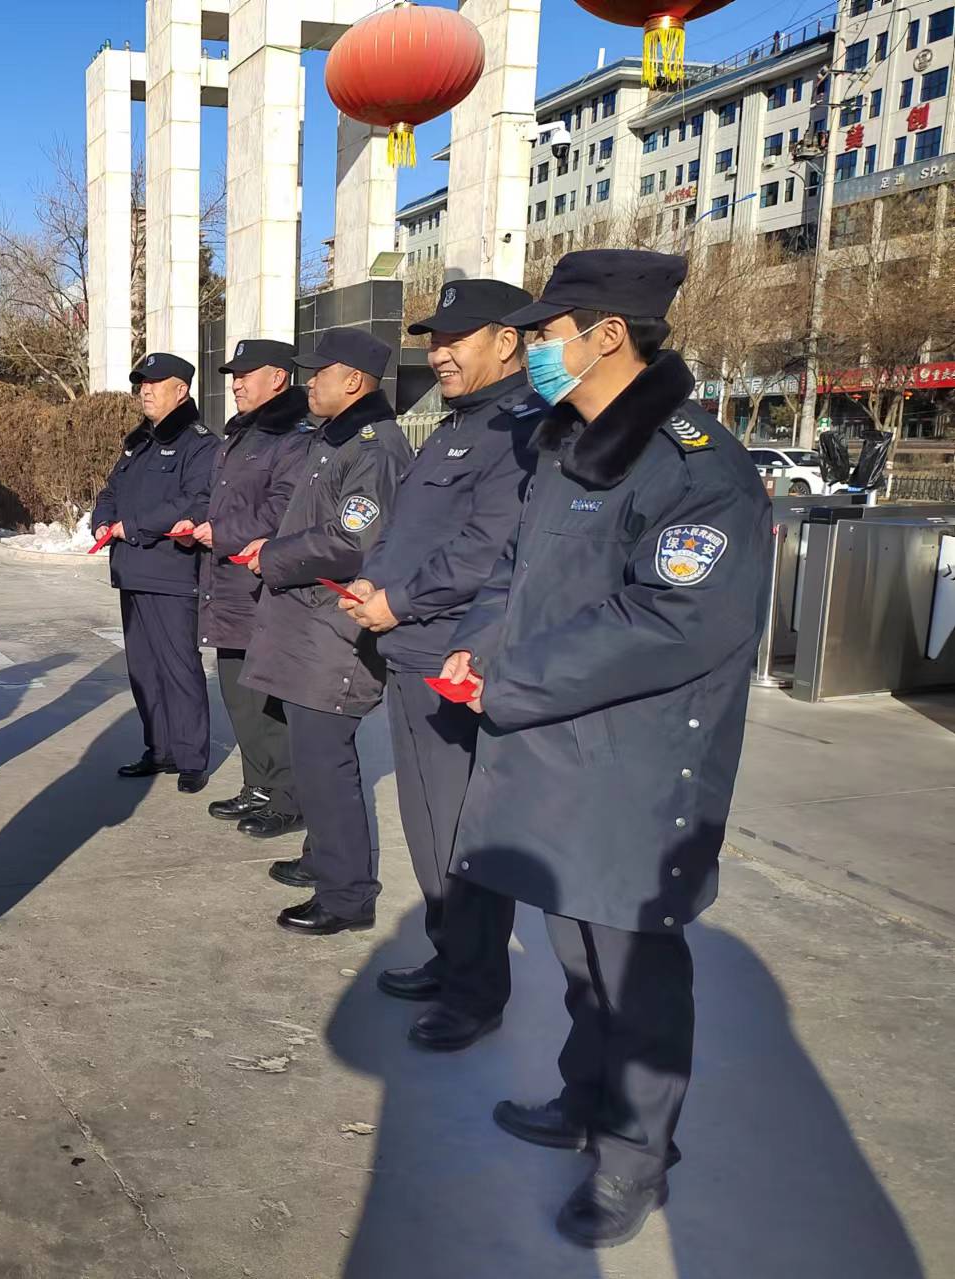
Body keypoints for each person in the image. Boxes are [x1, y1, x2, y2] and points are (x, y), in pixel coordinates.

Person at [443, 249, 770, 1246]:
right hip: (557, 750)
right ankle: (582, 1099)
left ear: (607, 335)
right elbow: (515, 575)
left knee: (633, 970)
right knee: (577, 953)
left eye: (545, 333)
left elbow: (675, 620)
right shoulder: (565, 448)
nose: (532, 350)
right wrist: (480, 646)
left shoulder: (696, 466)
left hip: (638, 763)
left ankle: (634, 1160)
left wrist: (512, 679)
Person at [336, 280, 541, 1053]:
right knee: (427, 826)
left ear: (506, 341)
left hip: (455, 655)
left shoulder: (522, 431)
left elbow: (487, 551)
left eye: (457, 339)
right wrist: (373, 581)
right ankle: (450, 955)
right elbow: (404, 528)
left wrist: (400, 600)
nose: (440, 354)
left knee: (462, 832)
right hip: (411, 647)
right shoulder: (457, 425)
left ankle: (477, 990)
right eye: (435, 340)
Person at [242, 329, 412, 935]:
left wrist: (275, 556)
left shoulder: (375, 446)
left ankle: (347, 895)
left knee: (327, 763)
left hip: (335, 628)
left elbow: (353, 539)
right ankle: (323, 858)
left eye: (321, 372)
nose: (309, 382)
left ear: (354, 381)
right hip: (308, 625)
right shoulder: (332, 437)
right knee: (312, 761)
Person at [188, 339, 311, 839]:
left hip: (261, 587)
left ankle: (288, 798)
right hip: (226, 586)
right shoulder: (241, 434)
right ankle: (258, 785)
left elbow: (284, 509)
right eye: (233, 376)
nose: (236, 384)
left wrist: (223, 532)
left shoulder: (294, 439)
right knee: (239, 697)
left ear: (278, 378)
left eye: (245, 374)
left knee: (267, 702)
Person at [94, 352, 219, 792]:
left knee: (179, 667)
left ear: (181, 390)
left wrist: (132, 526)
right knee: (144, 669)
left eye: (154, 383)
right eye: (141, 384)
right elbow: (111, 490)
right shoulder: (140, 441)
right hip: (131, 571)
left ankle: (191, 758)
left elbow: (195, 501)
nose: (144, 391)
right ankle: (160, 748)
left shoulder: (199, 444)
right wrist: (102, 520)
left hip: (170, 572)